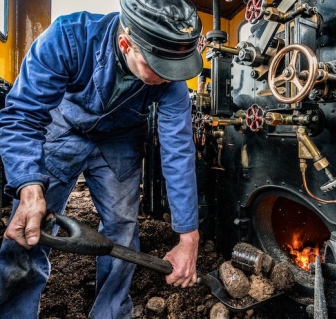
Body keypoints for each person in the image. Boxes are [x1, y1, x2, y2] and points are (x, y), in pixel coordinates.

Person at [0, 0, 203, 317]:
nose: (168, 78)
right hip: (64, 129)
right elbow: (22, 116)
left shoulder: (171, 80)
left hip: (120, 140)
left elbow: (179, 150)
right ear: (126, 43)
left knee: (122, 230)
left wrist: (189, 237)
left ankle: (111, 311)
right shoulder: (68, 37)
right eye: (159, 68)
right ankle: (14, 311)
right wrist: (29, 187)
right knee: (29, 227)